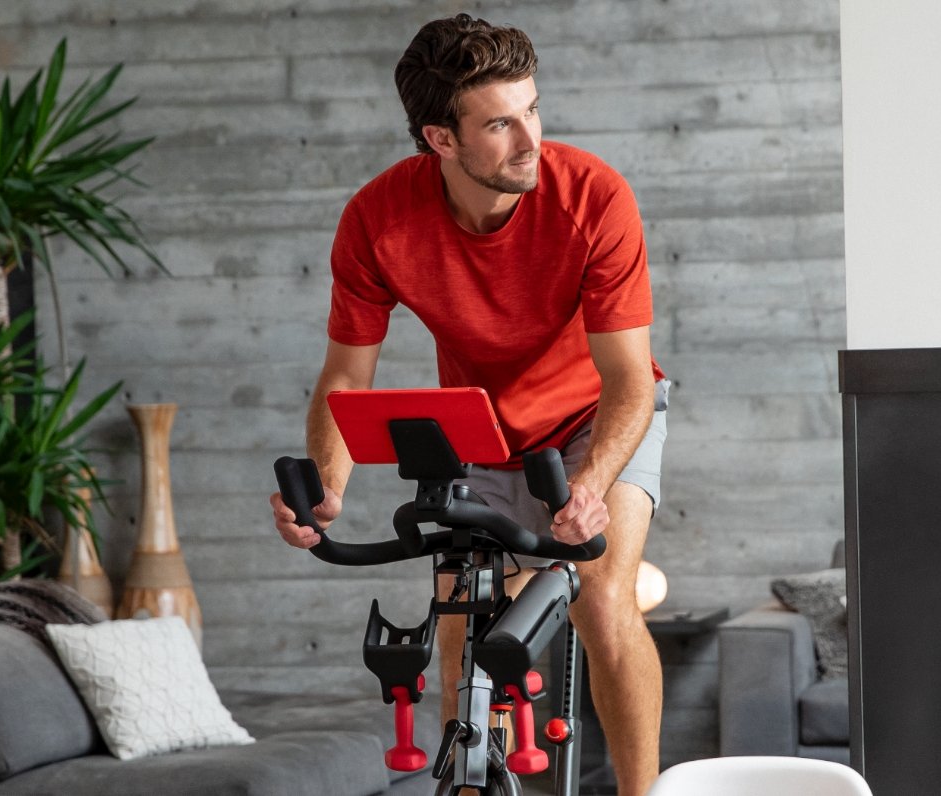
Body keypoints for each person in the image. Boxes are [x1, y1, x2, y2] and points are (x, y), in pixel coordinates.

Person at [266, 13, 668, 796]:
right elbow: (348, 378)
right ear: (440, 139)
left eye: (534, 109)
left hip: (595, 419)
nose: (531, 140)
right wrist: (327, 489)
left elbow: (628, 380)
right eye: (499, 123)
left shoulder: (592, 197)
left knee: (605, 600)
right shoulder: (378, 221)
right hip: (483, 431)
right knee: (462, 638)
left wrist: (586, 493)